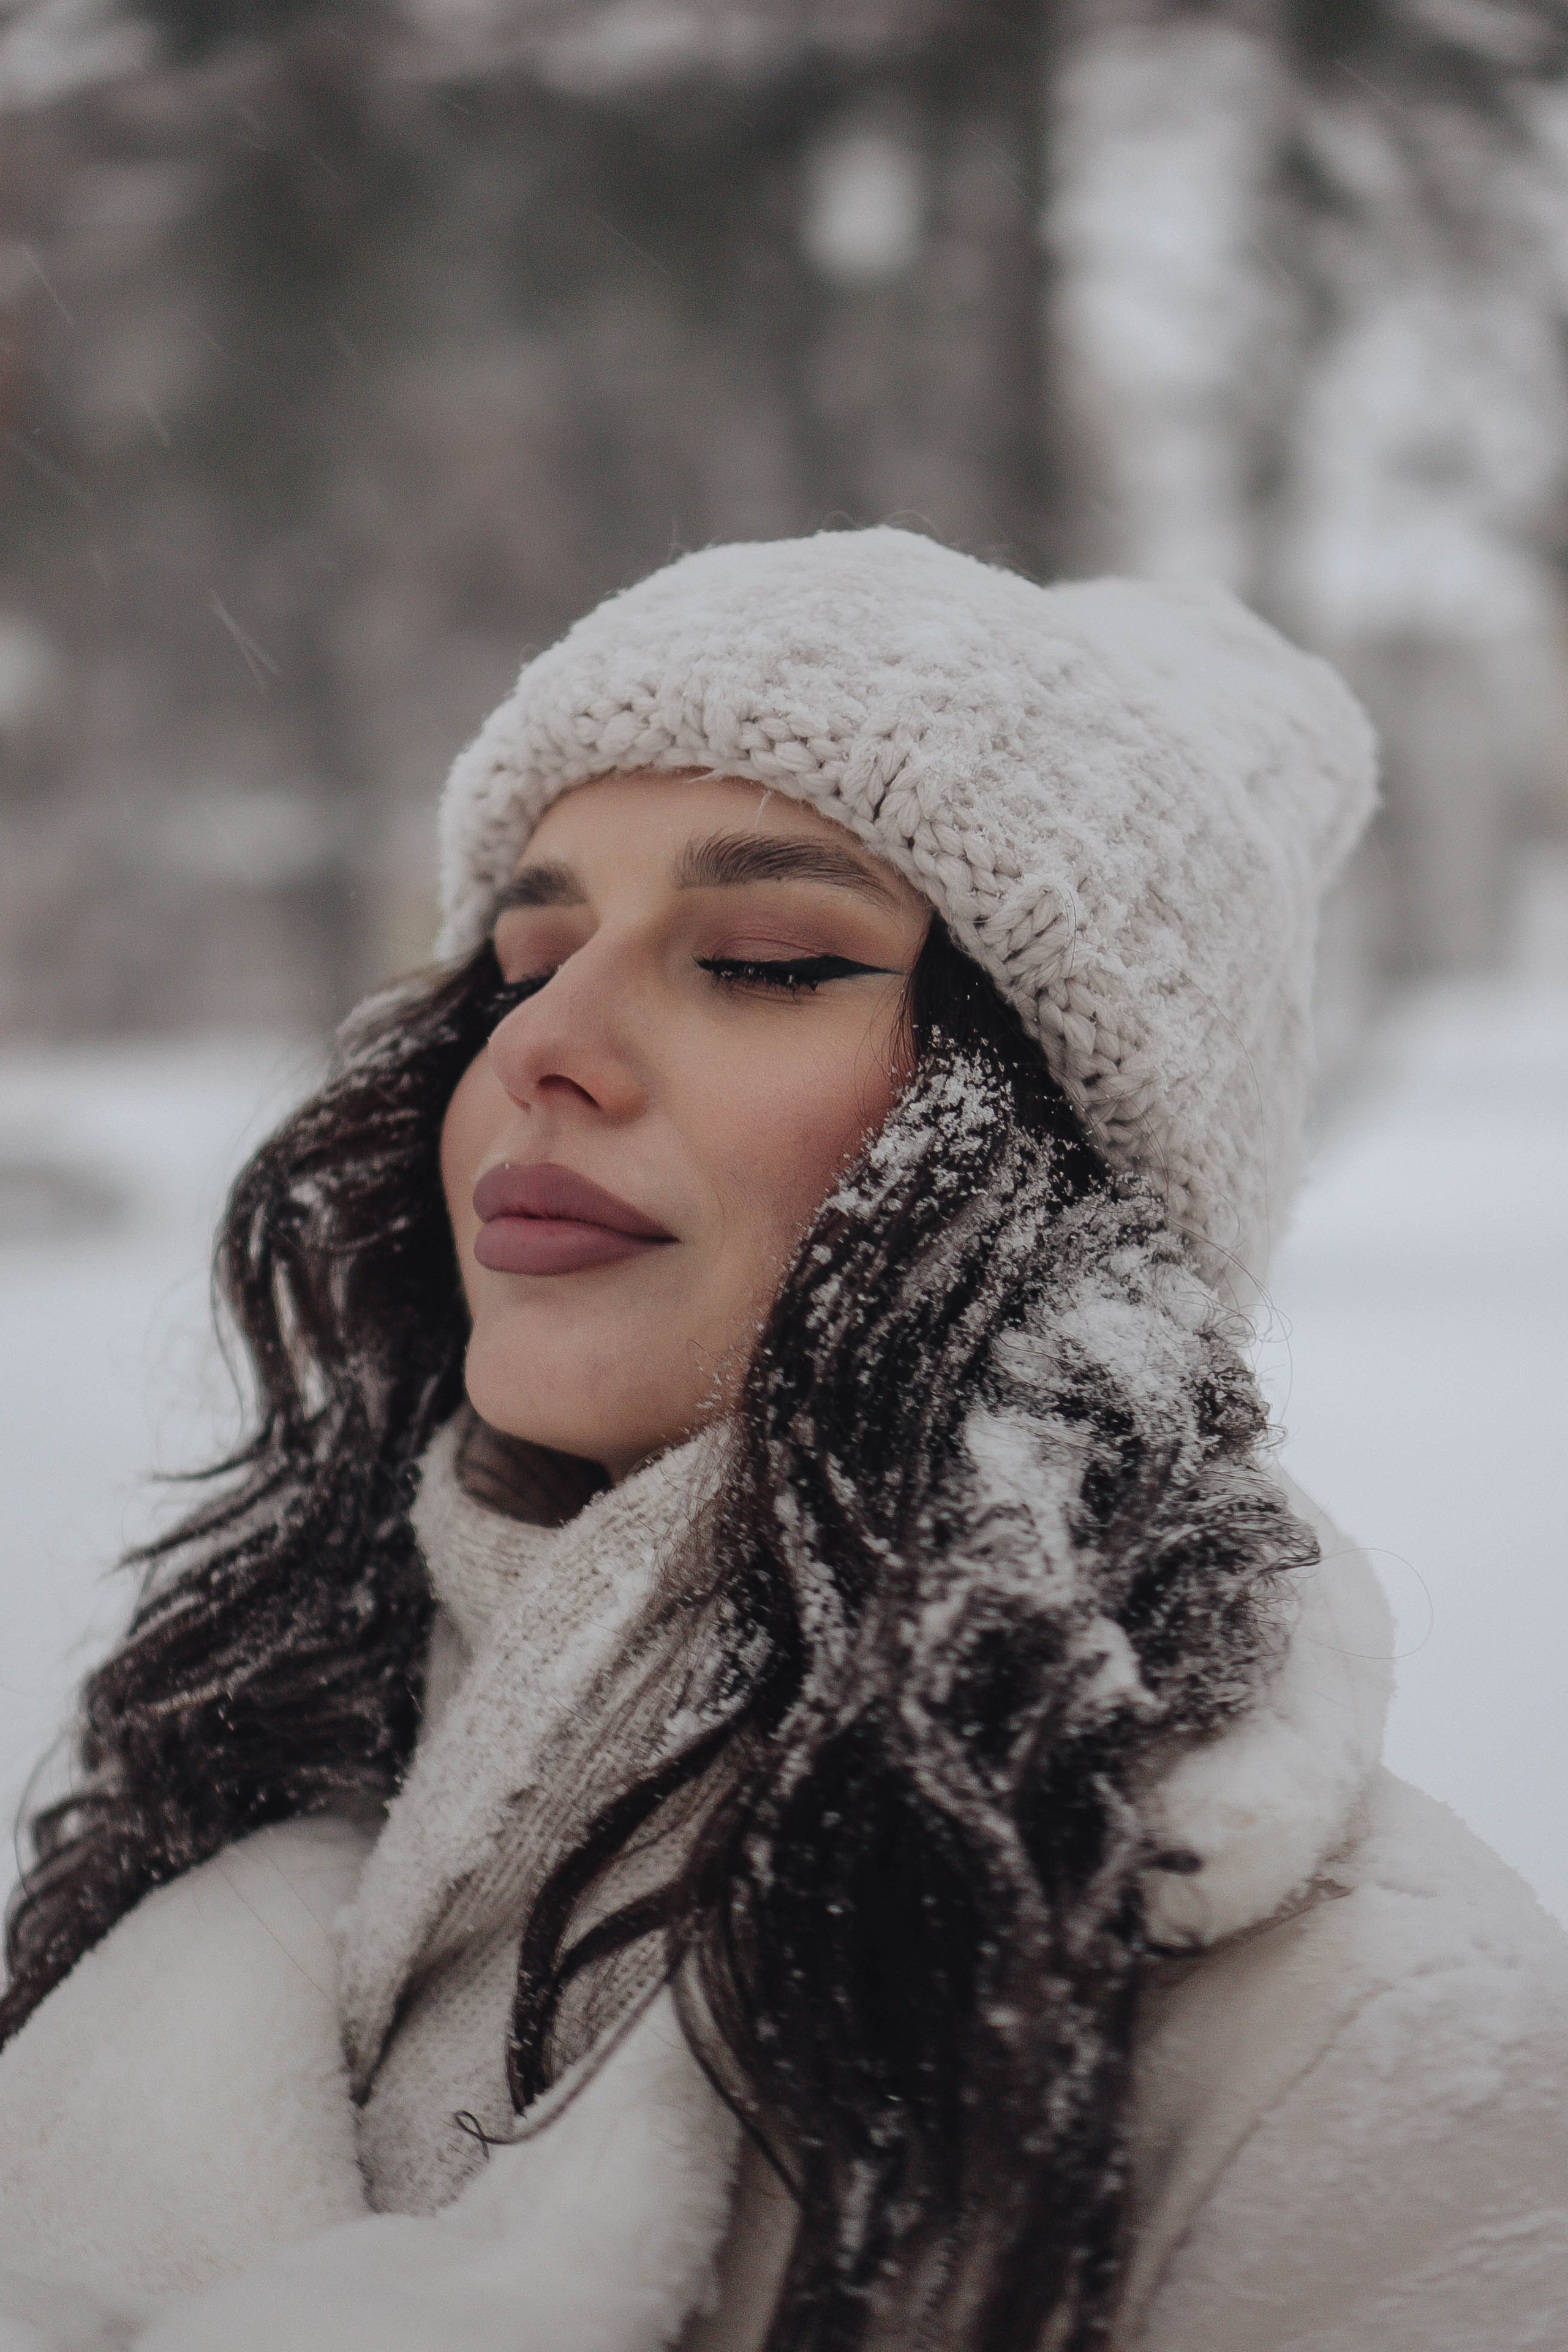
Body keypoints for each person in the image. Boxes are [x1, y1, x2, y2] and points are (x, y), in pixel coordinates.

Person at [1, 529, 1564, 2352]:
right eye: (523, 957)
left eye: (758, 957)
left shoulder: (1366, 2055)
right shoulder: (244, 1777)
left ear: (1046, 1156)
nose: (546, 1046)